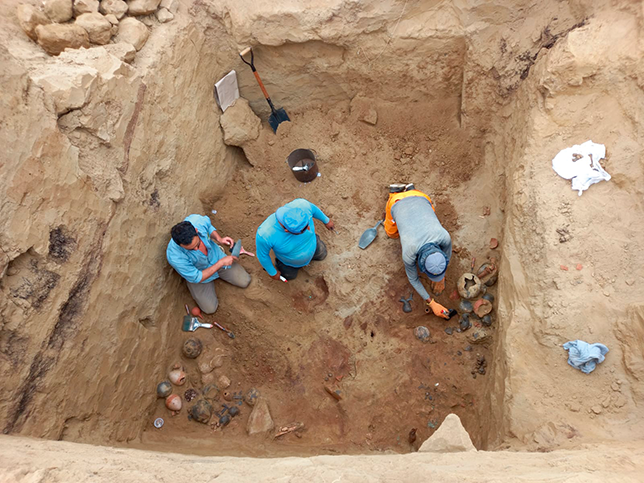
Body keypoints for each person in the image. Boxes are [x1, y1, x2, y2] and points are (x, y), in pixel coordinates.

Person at [384, 183, 451, 319]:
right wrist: (431, 303)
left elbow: (447, 257)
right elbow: (413, 279)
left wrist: (441, 275)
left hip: (422, 197)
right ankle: (394, 193)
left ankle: (410, 190)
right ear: (420, 263)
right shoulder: (409, 251)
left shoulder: (444, 237)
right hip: (398, 203)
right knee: (391, 233)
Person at [166, 214, 251, 314]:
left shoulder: (197, 221)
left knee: (245, 281)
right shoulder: (175, 256)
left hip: (215, 257)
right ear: (180, 245)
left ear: (196, 231)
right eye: (191, 249)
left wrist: (219, 239)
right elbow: (197, 277)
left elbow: (208, 227)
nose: (196, 249)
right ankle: (189, 276)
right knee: (210, 309)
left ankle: (219, 264)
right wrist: (221, 263)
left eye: (197, 245)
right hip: (199, 273)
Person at [256, 198, 335, 281]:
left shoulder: (302, 205)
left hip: (314, 246)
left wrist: (327, 221)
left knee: (322, 254)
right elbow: (263, 255)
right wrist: (272, 273)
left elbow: (314, 210)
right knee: (289, 276)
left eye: (307, 224)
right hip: (289, 263)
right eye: (304, 229)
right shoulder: (265, 234)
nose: (309, 228)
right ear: (287, 230)